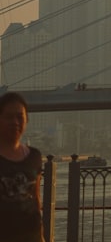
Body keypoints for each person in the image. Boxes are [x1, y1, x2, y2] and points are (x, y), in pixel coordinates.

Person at [0, 91, 43, 241]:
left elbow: (36, 200)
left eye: (20, 117)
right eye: (9, 117)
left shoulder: (34, 157)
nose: (15, 122)